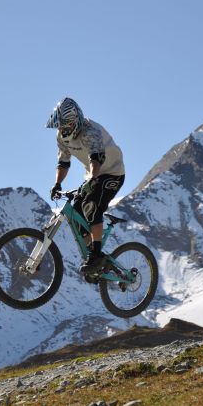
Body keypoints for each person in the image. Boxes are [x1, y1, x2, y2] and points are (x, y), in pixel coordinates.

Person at [46, 97, 125, 274]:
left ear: (77, 121)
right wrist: (57, 184)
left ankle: (96, 255)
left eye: (66, 125)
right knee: (77, 215)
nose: (63, 129)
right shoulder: (61, 137)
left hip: (112, 172)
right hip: (93, 175)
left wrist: (91, 181)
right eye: (60, 126)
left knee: (92, 207)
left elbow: (95, 160)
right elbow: (63, 163)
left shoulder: (90, 131)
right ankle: (94, 255)